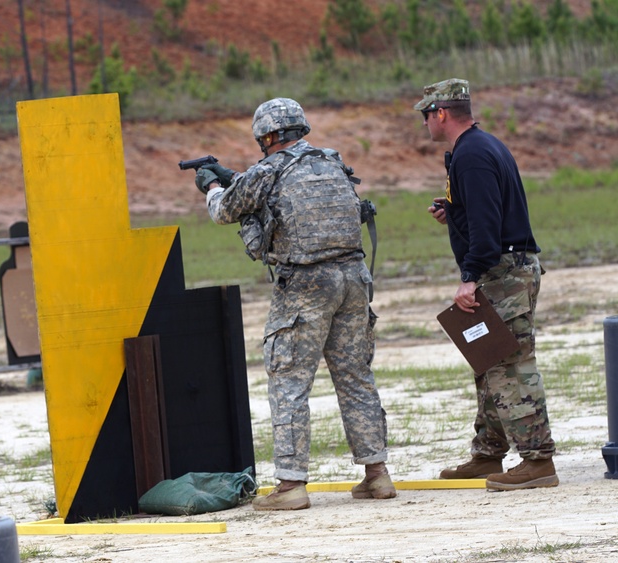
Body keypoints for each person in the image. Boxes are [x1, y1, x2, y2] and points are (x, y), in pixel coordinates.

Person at [194, 97, 395, 511]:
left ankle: (291, 485)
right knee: (356, 377)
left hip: (305, 285)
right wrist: (237, 177)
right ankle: (377, 475)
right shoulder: (331, 161)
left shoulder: (267, 170)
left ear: (266, 136)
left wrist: (211, 185)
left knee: (288, 381)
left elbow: (223, 212)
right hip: (353, 279)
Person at [418, 78, 558, 490]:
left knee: (509, 365)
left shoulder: (472, 156)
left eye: (426, 114)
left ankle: (537, 460)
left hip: (502, 272)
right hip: (507, 267)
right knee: (488, 360)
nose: (425, 123)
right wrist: (453, 212)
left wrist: (469, 277)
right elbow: (485, 210)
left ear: (441, 113)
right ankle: (488, 453)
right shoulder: (480, 146)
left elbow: (488, 224)